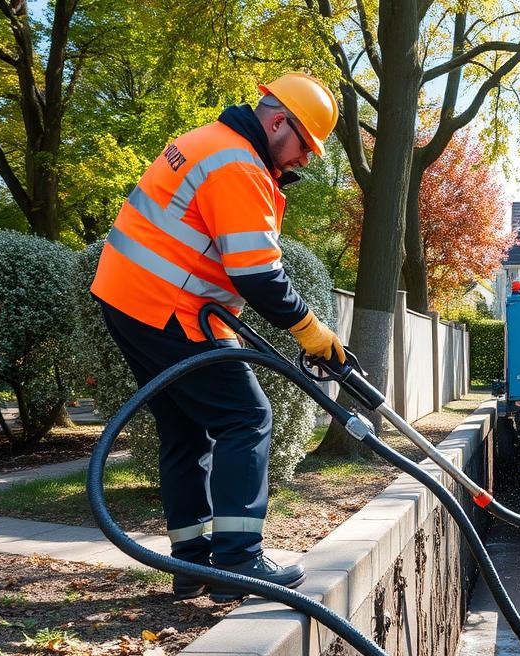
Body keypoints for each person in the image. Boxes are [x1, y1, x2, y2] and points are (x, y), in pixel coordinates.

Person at [91, 73, 345, 601]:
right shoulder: (237, 164)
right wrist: (311, 330)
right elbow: (256, 273)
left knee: (184, 430)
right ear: (278, 122)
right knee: (246, 417)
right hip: (170, 306)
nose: (304, 159)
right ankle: (238, 560)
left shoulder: (210, 143)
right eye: (305, 146)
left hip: (130, 299)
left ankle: (194, 565)